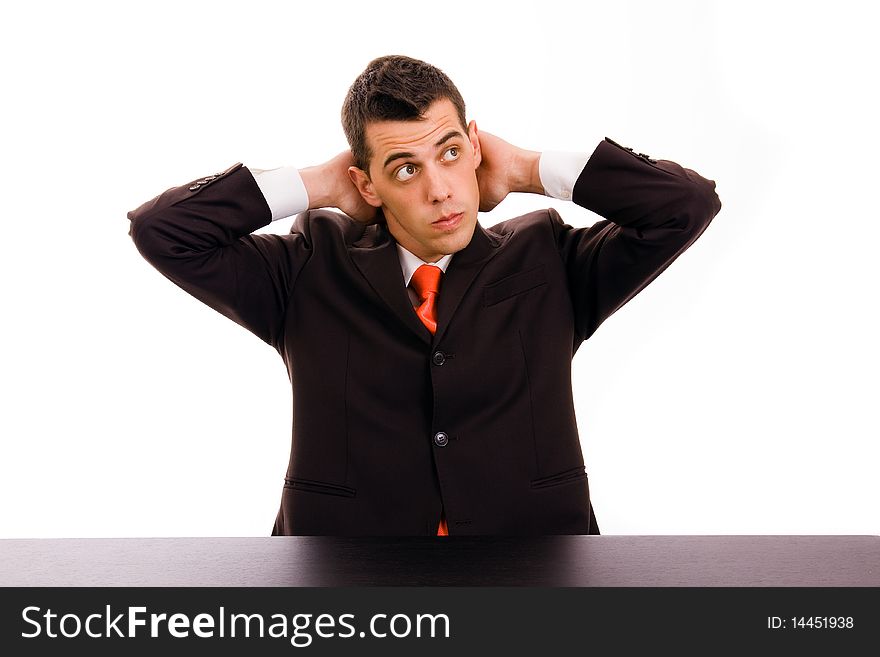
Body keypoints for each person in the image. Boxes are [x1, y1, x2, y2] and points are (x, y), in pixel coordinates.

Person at [128, 55, 721, 536]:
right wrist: (318, 184)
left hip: (533, 565)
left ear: (475, 147)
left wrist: (526, 168)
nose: (440, 190)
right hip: (347, 575)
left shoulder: (549, 258)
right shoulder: (308, 265)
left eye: (450, 153)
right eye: (405, 168)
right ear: (368, 183)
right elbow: (164, 231)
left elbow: (685, 205)